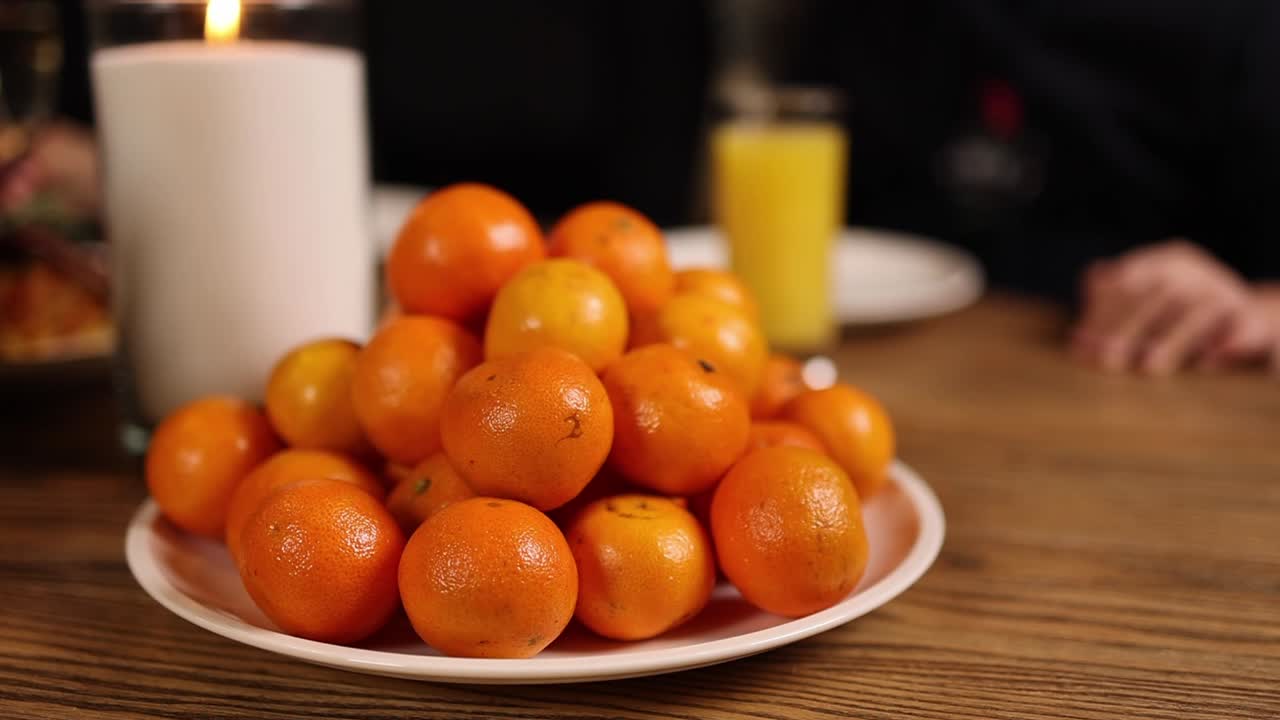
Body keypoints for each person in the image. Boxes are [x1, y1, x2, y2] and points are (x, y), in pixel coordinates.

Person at [7, 0, 1280, 375]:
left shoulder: (1218, 30)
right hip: (846, 371)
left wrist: (1260, 303)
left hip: (1140, 394)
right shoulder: (864, 34)